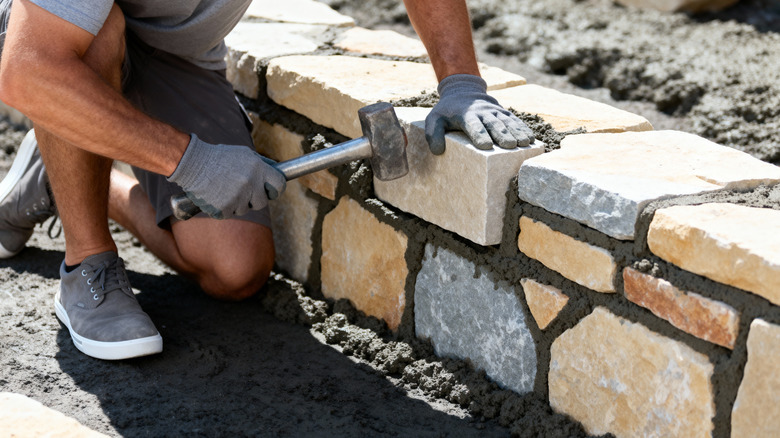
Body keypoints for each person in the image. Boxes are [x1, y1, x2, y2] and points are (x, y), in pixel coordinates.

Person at [0, 0, 534, 360]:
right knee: (96, 35)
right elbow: (29, 69)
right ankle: (87, 262)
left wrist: (460, 81)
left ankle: (61, 178)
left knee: (234, 268)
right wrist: (193, 162)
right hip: (57, 39)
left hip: (175, 57)